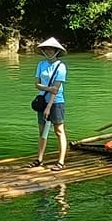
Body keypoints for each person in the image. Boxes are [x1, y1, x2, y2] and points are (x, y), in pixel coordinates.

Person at [33, 37, 69, 168]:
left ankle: (61, 162)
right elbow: (37, 84)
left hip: (56, 102)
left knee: (59, 130)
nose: (48, 51)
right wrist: (48, 89)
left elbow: (56, 89)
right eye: (46, 49)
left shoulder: (61, 66)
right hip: (42, 100)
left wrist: (49, 106)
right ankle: (39, 159)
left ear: (56, 51)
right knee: (42, 131)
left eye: (51, 49)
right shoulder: (41, 64)